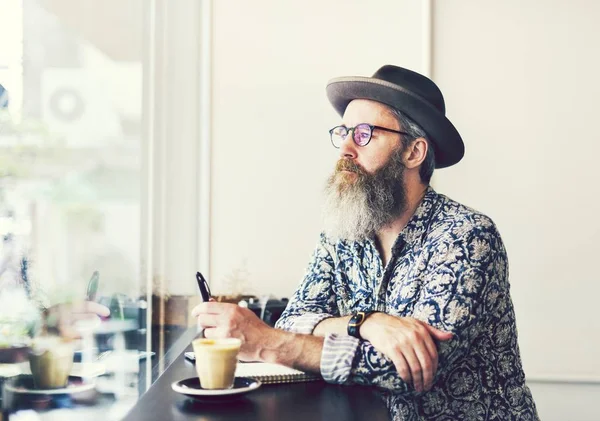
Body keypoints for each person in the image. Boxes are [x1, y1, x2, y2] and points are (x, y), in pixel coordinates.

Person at [192, 65, 538, 420]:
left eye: (363, 133)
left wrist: (268, 344)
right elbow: (294, 319)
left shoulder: (466, 235)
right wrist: (366, 322)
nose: (344, 148)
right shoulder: (342, 232)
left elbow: (406, 370)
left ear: (413, 152)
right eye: (343, 132)